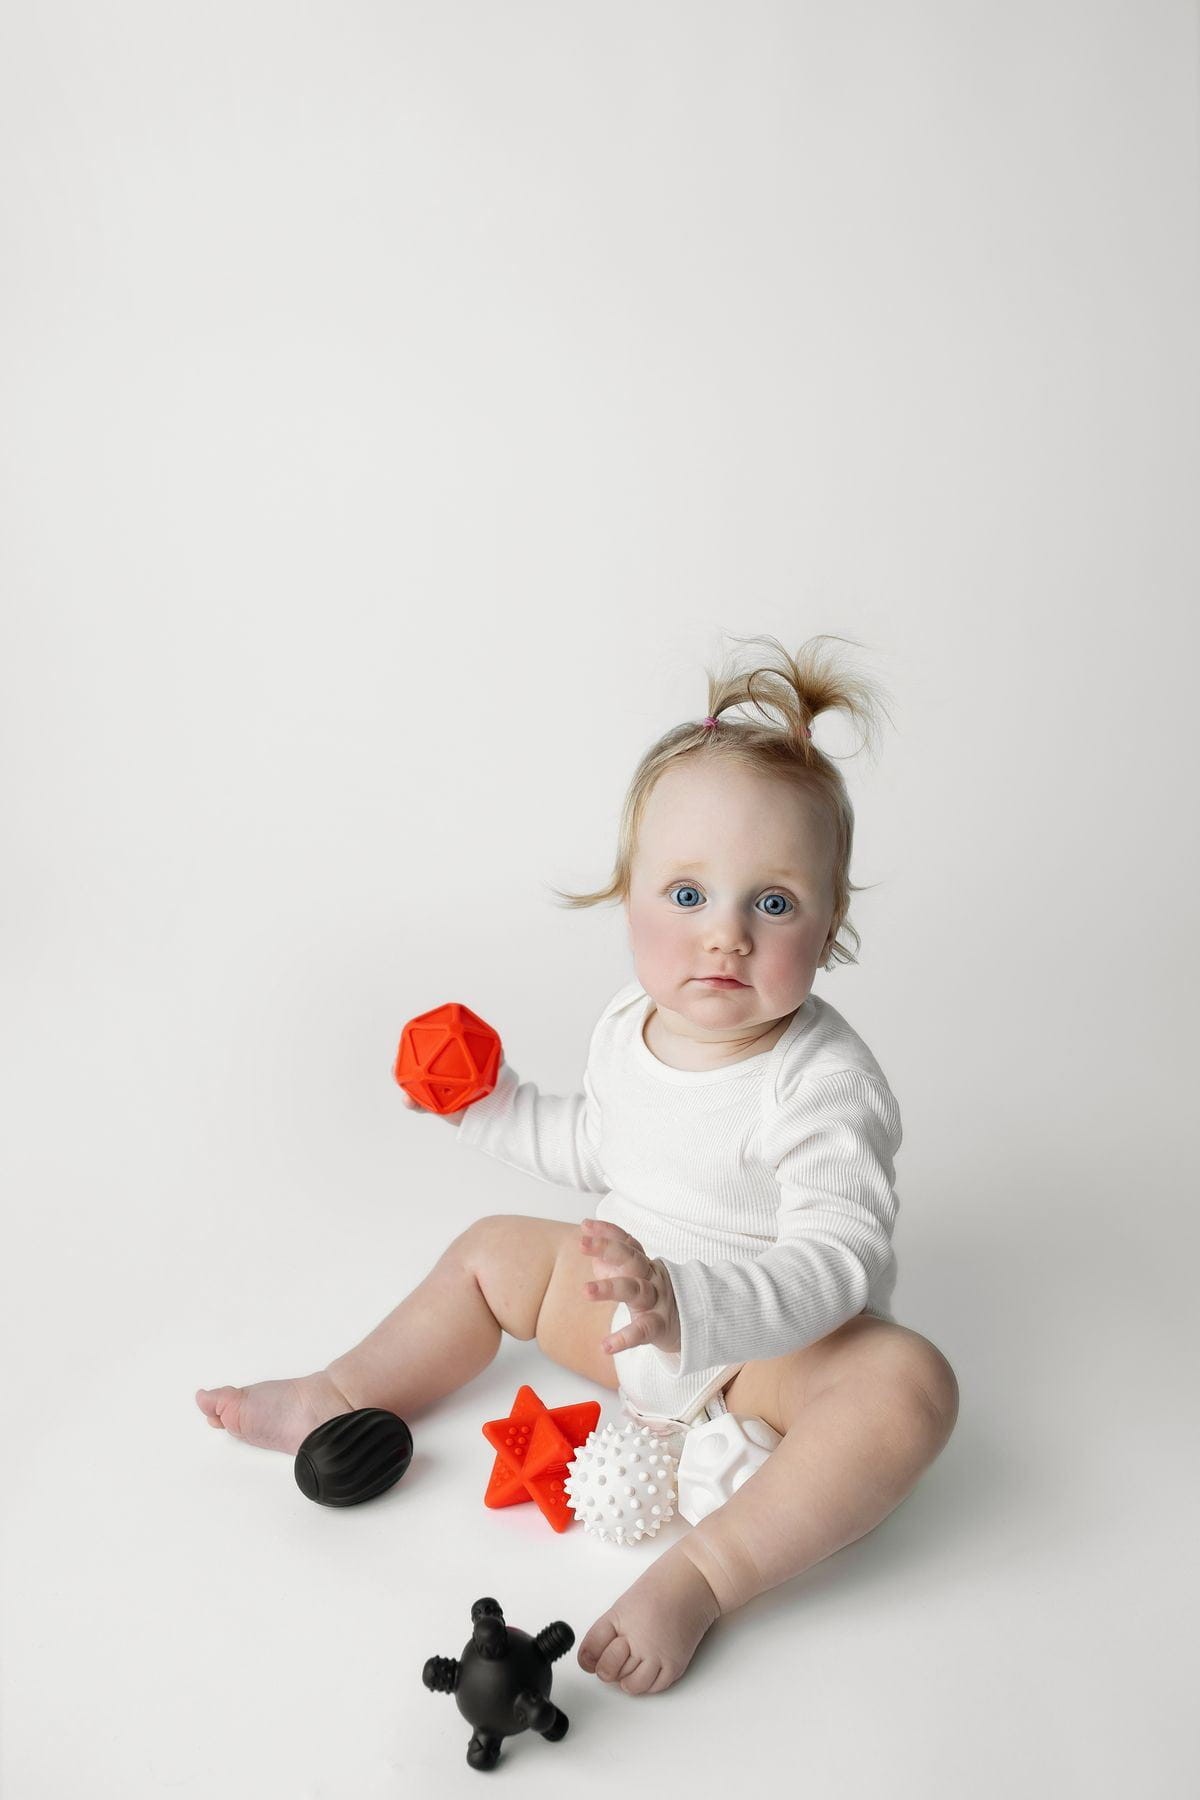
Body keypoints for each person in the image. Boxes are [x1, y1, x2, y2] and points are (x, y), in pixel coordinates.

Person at [196, 630, 959, 1699]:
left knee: (909, 1385)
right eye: (687, 896)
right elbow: (598, 1148)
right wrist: (490, 1106)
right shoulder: (628, 1026)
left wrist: (692, 1305)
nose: (726, 936)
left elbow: (838, 1260)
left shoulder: (824, 1082)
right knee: (490, 1249)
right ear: (627, 897)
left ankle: (707, 1574)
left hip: (764, 1358)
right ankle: (341, 1391)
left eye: (774, 903)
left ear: (830, 929)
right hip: (620, 1315)